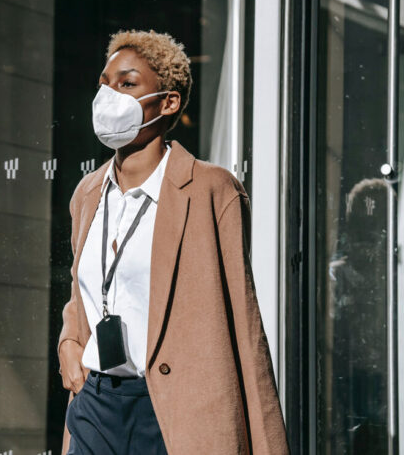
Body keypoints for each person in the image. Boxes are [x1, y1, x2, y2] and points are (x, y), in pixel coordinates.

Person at [57, 29, 289, 454]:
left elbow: (244, 323)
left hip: (176, 409)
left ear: (168, 102)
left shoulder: (210, 189)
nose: (109, 96)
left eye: (127, 84)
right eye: (104, 84)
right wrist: (69, 341)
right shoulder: (87, 194)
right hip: (96, 403)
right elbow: (83, 292)